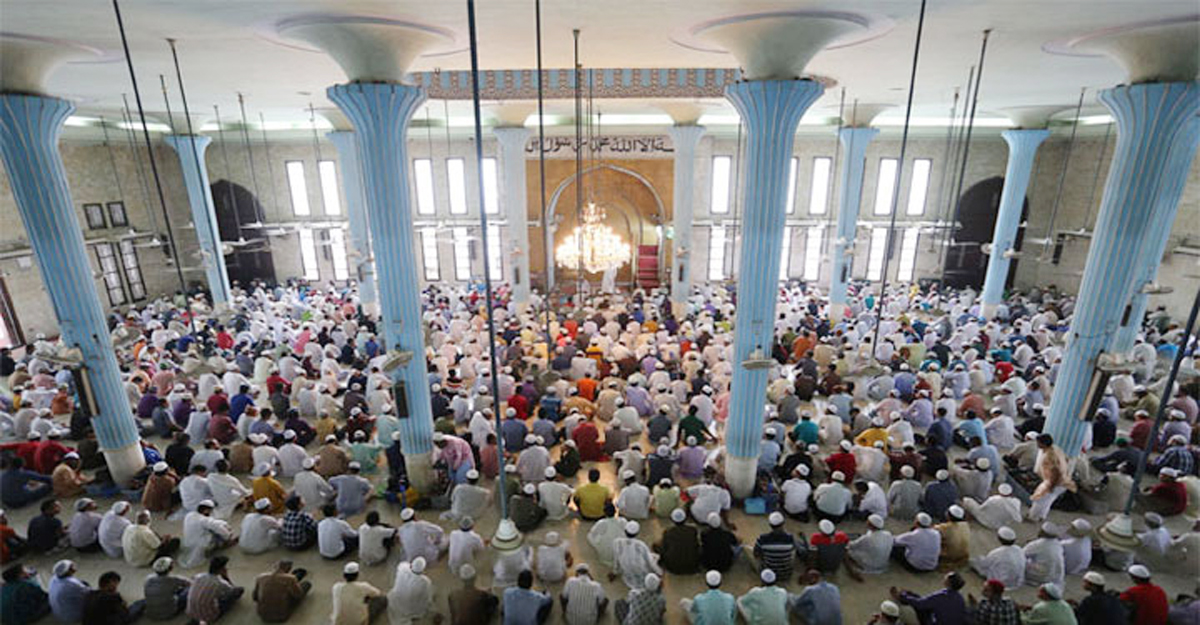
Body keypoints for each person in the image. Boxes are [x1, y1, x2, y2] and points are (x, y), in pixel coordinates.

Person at [892, 572, 968, 625]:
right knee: (922, 600)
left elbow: (920, 604)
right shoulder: (960, 598)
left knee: (919, 604)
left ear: (948, 582)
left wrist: (904, 596)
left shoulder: (942, 596)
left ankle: (901, 596)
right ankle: (905, 595)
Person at [1029, 433, 1074, 521]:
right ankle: (1042, 516)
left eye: (1038, 442)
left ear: (1043, 444)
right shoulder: (1055, 449)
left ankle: (1033, 517)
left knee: (1040, 500)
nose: (1037, 444)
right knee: (1048, 500)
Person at [180, 500, 236, 569]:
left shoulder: (189, 515)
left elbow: (213, 522)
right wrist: (228, 536)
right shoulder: (204, 520)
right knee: (217, 532)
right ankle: (222, 544)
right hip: (201, 544)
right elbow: (219, 529)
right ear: (206, 510)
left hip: (188, 542)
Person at [81, 570, 146, 625]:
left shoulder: (89, 594)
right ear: (111, 584)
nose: (116, 587)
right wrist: (123, 603)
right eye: (116, 584)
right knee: (140, 604)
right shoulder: (113, 597)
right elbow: (125, 614)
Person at [387, 557, 433, 624]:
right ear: (423, 570)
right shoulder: (425, 582)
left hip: (398, 601)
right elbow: (427, 598)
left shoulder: (402, 568)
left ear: (411, 565)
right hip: (412, 608)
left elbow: (404, 565)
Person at [656, 508, 701, 574]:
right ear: (685, 519)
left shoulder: (668, 532)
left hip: (673, 567)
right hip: (692, 565)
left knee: (656, 545)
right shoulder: (692, 530)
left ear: (673, 520)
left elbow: (664, 548)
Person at [1025, 522, 1066, 589]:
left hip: (1043, 576)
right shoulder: (1058, 543)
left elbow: (1022, 554)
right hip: (1056, 576)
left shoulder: (1038, 544)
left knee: (1024, 561)